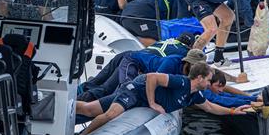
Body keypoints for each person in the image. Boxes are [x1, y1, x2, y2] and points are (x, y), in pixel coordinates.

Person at [75, 64, 249, 135]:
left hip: (138, 100)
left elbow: (211, 108)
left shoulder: (195, 95)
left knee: (88, 110)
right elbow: (152, 77)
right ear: (200, 78)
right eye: (209, 79)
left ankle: (60, 104)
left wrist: (233, 111)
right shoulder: (181, 82)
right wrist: (152, 103)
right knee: (111, 114)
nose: (210, 83)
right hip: (135, 92)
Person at [183, 0, 254, 64]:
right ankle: (190, 62)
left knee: (228, 16)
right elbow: (245, 6)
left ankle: (218, 57)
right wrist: (251, 24)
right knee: (211, 29)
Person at [80, 48, 208, 103]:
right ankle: (79, 101)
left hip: (138, 67)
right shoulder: (172, 62)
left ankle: (81, 100)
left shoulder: (194, 73)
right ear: (188, 62)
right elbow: (154, 80)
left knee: (104, 88)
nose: (198, 69)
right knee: (123, 89)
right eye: (195, 65)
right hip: (132, 61)